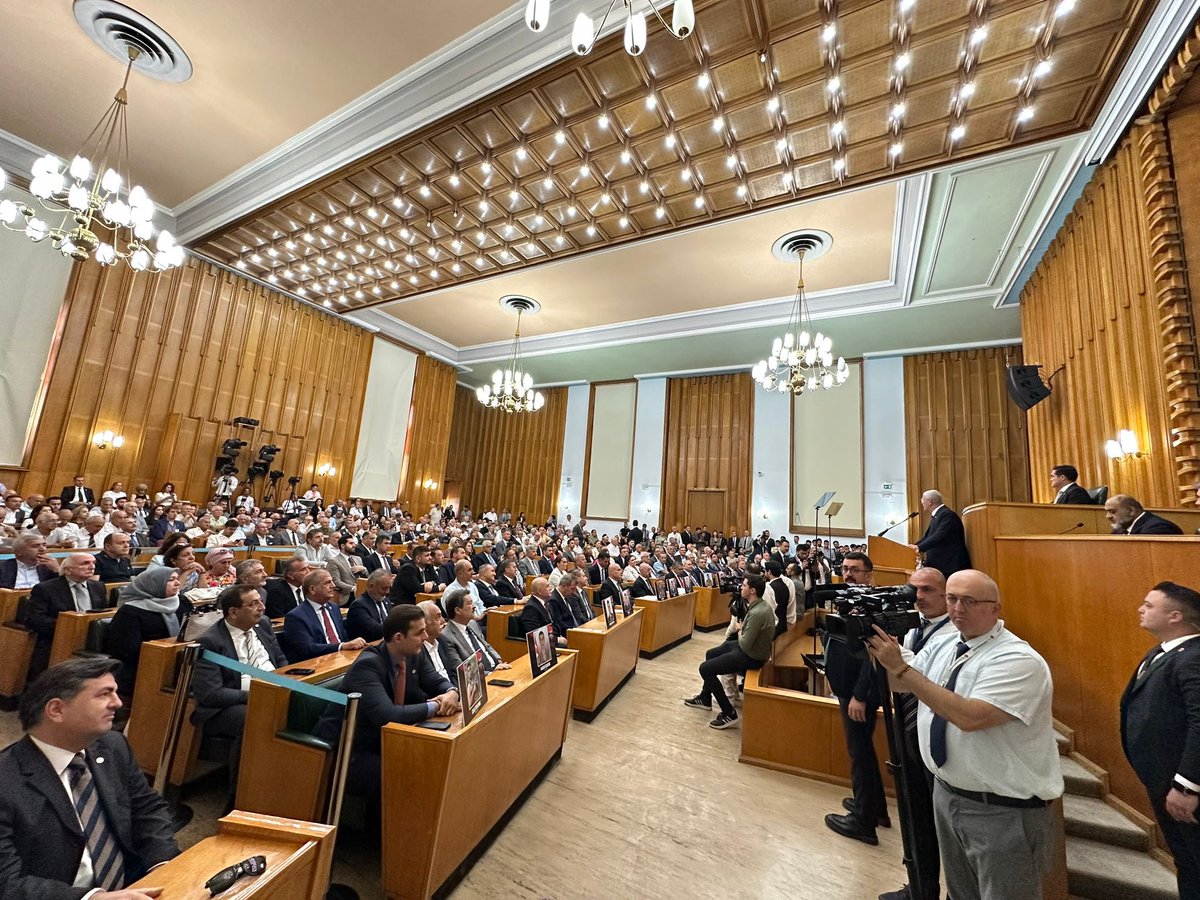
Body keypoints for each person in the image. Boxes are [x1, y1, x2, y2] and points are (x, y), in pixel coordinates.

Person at [866, 569, 1063, 900]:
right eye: (952, 599)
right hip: (948, 793)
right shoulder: (946, 643)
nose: (958, 608)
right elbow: (903, 685)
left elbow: (968, 716)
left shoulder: (1017, 659)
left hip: (1003, 809)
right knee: (961, 894)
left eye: (969, 601)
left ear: (995, 608)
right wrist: (871, 651)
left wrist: (899, 667)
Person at [0, 657, 179, 897]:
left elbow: (146, 808)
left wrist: (164, 865)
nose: (117, 702)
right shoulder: (6, 779)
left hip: (135, 886)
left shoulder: (112, 746)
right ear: (56, 710)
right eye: (104, 694)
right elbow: (7, 883)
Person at [313, 604, 459, 799]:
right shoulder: (367, 666)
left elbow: (436, 681)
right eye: (419, 633)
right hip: (348, 751)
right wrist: (437, 706)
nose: (425, 638)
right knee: (415, 772)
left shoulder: (414, 653)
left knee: (438, 759)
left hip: (387, 740)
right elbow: (387, 715)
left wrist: (451, 692)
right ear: (398, 637)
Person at [877, 567, 954, 900]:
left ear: (946, 596)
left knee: (940, 824)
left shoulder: (954, 635)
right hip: (907, 727)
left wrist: (898, 662)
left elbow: (929, 680)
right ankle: (920, 887)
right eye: (913, 590)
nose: (918, 597)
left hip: (938, 735)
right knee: (914, 813)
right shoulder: (911, 628)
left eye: (926, 590)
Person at [1121, 581, 1200, 899]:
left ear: (1175, 616)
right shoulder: (1162, 652)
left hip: (1185, 791)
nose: (1141, 609)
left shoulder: (1193, 657)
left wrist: (1187, 785)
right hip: (1164, 783)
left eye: (1149, 605)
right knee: (1188, 863)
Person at [191, 584, 287, 809]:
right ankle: (239, 798)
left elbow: (280, 659)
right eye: (253, 604)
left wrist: (287, 679)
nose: (261, 608)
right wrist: (258, 695)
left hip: (270, 691)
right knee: (257, 718)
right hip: (225, 707)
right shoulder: (211, 641)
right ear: (233, 612)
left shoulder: (262, 625)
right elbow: (212, 694)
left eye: (260, 602)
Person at [823, 552, 891, 845]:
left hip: (857, 691)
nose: (848, 574)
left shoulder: (870, 606)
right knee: (861, 749)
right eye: (845, 569)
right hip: (848, 687)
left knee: (859, 752)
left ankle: (864, 822)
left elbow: (871, 657)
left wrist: (860, 696)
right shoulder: (850, 600)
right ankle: (875, 808)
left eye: (855, 570)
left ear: (869, 575)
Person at [682, 573, 774, 730]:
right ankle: (705, 698)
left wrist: (740, 629)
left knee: (705, 669)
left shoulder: (758, 612)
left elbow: (745, 643)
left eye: (744, 585)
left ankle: (728, 712)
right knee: (711, 654)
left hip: (752, 655)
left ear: (752, 590)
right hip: (747, 648)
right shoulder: (758, 605)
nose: (741, 588)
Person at [24, 553, 110, 678]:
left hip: (90, 638)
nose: (91, 567)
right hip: (56, 638)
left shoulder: (98, 586)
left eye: (93, 563)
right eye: (85, 563)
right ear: (67, 570)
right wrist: (69, 627)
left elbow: (102, 615)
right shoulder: (45, 588)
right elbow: (34, 619)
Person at [108, 568, 184, 698]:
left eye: (177, 579)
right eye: (171, 580)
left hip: (173, 663)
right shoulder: (130, 612)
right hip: (140, 668)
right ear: (153, 584)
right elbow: (124, 650)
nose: (177, 583)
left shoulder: (181, 603)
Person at [282, 569, 367, 661]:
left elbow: (343, 637)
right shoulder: (296, 616)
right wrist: (341, 646)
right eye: (327, 583)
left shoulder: (334, 608)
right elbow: (307, 648)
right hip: (317, 662)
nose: (333, 586)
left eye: (332, 582)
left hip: (343, 657)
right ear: (312, 589)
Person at [442, 589, 509, 674]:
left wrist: (498, 660)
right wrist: (490, 674)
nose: (474, 607)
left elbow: (486, 646)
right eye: (469, 603)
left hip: (497, 669)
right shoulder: (447, 636)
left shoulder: (473, 624)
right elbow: (462, 669)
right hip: (481, 679)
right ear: (458, 610)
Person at [909, 490, 971, 577]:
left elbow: (939, 536)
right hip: (942, 564)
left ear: (930, 502)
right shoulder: (939, 515)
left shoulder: (947, 515)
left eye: (923, 500)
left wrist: (919, 547)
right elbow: (928, 537)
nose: (922, 502)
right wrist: (913, 547)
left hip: (950, 565)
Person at [346, 569, 394, 642]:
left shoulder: (386, 601)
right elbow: (375, 630)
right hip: (367, 648)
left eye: (389, 588)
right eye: (384, 588)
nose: (387, 592)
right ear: (371, 586)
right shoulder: (359, 606)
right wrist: (399, 625)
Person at [1105, 494, 1184, 535]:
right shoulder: (1119, 529)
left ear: (1131, 511)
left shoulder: (1158, 528)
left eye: (1112, 512)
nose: (1107, 516)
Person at [520, 577, 564, 645]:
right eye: (547, 586)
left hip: (555, 638)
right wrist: (557, 640)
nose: (550, 588)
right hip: (545, 645)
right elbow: (535, 634)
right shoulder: (531, 608)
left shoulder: (547, 603)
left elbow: (554, 624)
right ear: (539, 591)